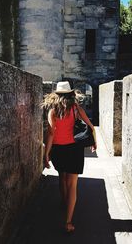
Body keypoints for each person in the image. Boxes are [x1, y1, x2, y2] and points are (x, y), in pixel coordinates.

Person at [42, 81, 97, 233]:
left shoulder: (52, 111)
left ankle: (64, 202)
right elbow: (90, 126)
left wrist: (46, 154)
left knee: (62, 177)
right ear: (71, 94)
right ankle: (68, 221)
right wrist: (94, 142)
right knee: (72, 184)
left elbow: (51, 133)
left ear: (56, 95)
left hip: (58, 150)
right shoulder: (76, 109)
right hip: (75, 149)